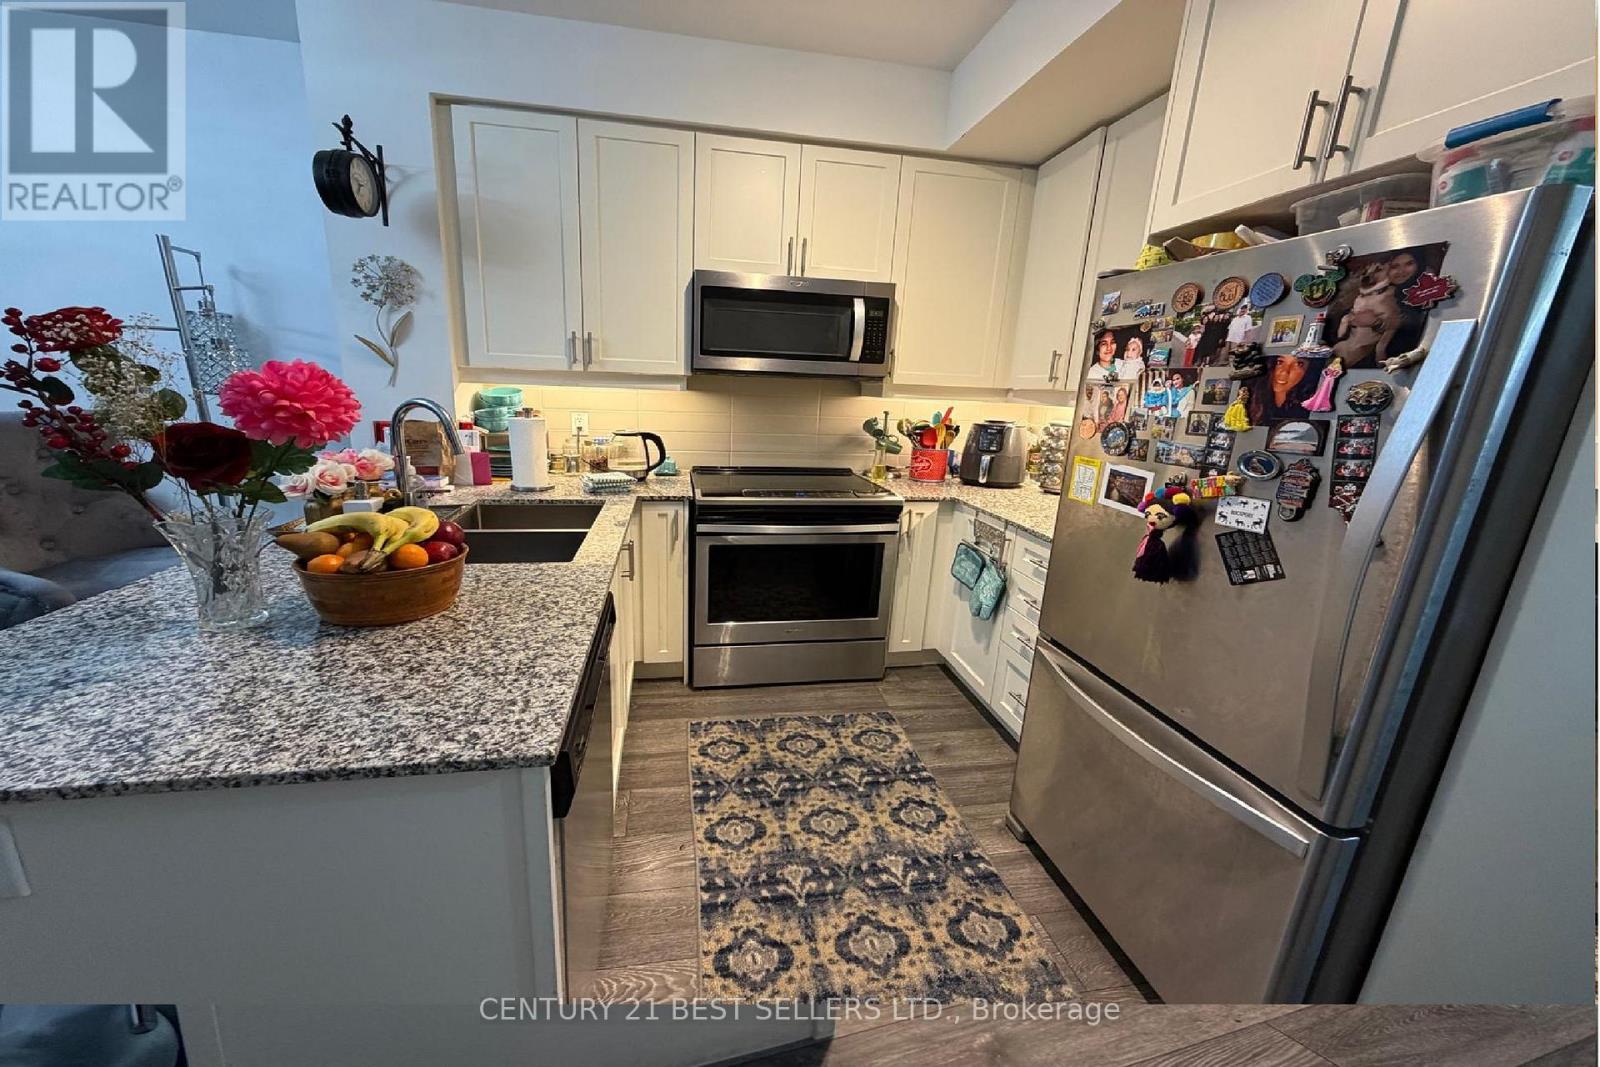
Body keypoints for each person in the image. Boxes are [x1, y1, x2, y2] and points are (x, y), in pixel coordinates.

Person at [1249, 353, 1325, 424]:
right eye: (1280, 362)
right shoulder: (1249, 397)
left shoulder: (1308, 407)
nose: (1285, 371)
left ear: (1308, 371)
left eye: (1299, 364)